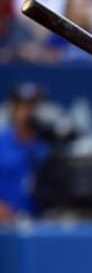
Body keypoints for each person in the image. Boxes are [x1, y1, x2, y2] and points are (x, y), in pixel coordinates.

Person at [0, 83, 49, 221]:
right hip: (4, 225)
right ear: (13, 109)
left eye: (32, 107)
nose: (27, 112)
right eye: (22, 107)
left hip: (37, 221)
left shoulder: (45, 143)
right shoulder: (2, 140)